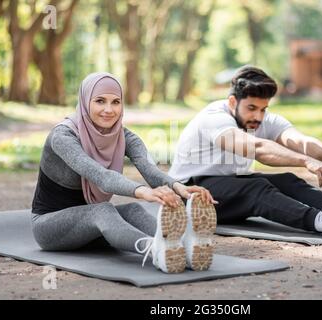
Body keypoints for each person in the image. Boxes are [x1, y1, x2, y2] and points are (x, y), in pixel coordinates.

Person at [168, 66, 322, 243]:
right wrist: (305, 162)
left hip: (224, 187)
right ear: (232, 102)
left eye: (263, 109)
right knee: (256, 189)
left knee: (287, 180)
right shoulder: (214, 118)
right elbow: (258, 149)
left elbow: (301, 142)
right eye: (252, 108)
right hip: (189, 195)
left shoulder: (261, 117)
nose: (258, 116)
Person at [30, 72, 217, 273]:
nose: (109, 110)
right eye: (100, 101)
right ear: (85, 102)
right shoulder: (63, 136)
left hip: (91, 229)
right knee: (103, 210)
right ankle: (155, 250)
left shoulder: (123, 136)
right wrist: (145, 192)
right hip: (50, 228)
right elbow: (101, 176)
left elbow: (149, 169)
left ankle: (181, 247)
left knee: (133, 210)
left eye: (116, 102)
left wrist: (182, 189)